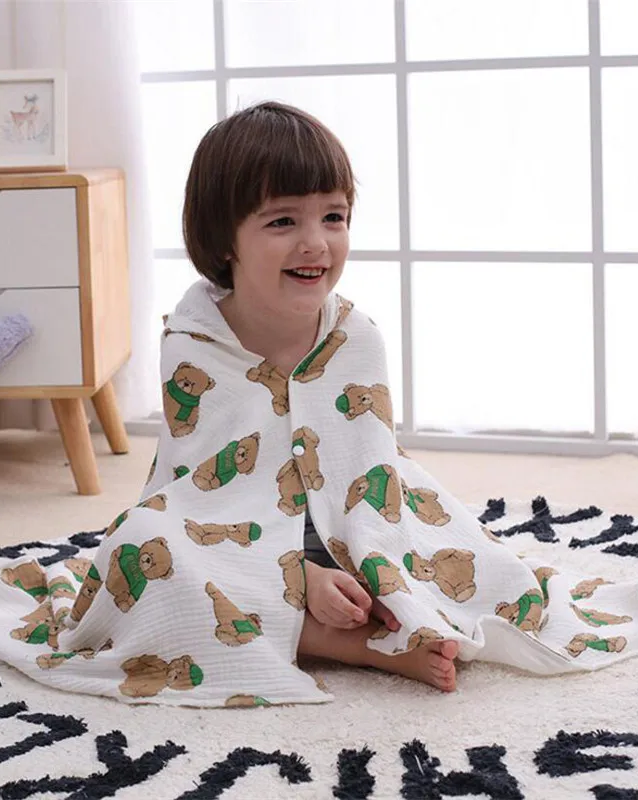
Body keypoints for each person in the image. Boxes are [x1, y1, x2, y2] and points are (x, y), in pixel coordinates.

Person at [180, 100, 459, 691]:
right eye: (283, 222)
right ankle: (355, 645)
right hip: (236, 542)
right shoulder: (194, 346)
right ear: (224, 239)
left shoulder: (357, 340)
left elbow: (370, 475)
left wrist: (372, 568)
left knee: (450, 550)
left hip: (350, 531)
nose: (316, 243)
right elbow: (193, 498)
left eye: (334, 217)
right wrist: (297, 576)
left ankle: (374, 611)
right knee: (145, 554)